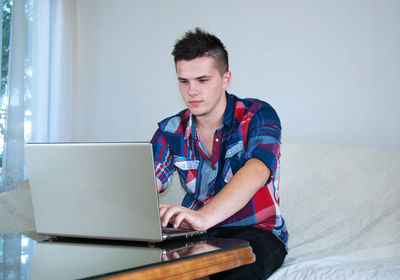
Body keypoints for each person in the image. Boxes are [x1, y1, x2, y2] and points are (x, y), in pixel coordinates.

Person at [151, 27, 288, 279]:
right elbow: (148, 183)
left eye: (202, 80)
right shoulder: (169, 130)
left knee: (237, 269)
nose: (191, 91)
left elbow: (257, 171)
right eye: (184, 81)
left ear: (226, 79)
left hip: (256, 231)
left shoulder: (258, 114)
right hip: (195, 234)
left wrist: (203, 216)